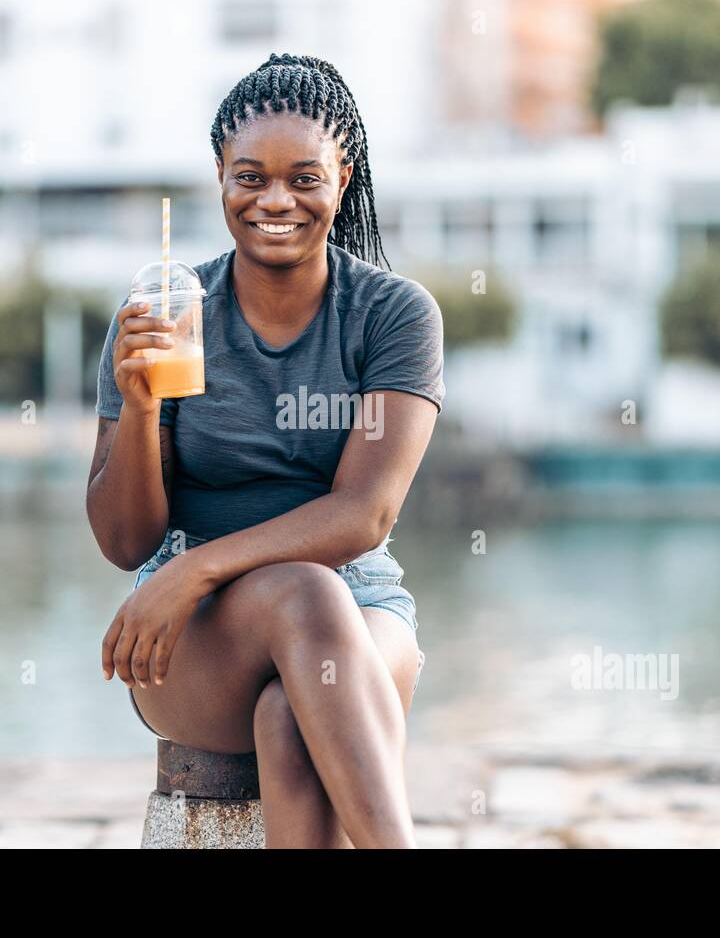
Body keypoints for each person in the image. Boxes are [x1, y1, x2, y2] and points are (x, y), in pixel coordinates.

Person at [86, 53, 444, 849]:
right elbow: (123, 543)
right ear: (219, 175)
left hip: (358, 605)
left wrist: (198, 568)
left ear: (343, 178)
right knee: (307, 600)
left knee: (294, 714)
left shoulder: (393, 316)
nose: (275, 200)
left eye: (304, 178)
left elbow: (365, 514)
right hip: (197, 635)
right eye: (250, 176)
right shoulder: (162, 314)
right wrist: (142, 411)